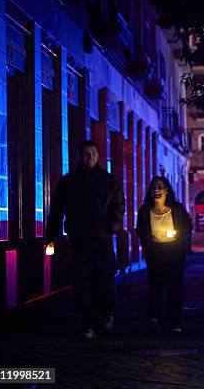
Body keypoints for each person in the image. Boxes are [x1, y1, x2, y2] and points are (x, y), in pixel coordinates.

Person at [46, 140, 125, 339]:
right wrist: (52, 236)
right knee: (82, 282)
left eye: (93, 153)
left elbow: (118, 207)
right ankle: (87, 322)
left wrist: (110, 228)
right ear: (80, 156)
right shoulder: (68, 182)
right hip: (79, 239)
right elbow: (57, 210)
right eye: (86, 153)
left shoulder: (108, 181)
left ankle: (106, 311)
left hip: (102, 240)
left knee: (106, 280)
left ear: (98, 156)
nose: (90, 157)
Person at [135, 176, 192, 333]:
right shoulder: (145, 210)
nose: (156, 190)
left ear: (167, 189)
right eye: (153, 187)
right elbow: (140, 229)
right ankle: (155, 317)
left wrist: (180, 241)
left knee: (175, 286)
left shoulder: (177, 209)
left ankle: (174, 321)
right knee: (156, 285)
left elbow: (187, 227)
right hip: (155, 252)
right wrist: (148, 243)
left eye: (160, 186)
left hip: (174, 252)